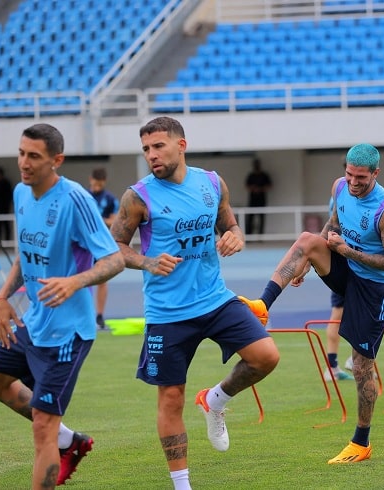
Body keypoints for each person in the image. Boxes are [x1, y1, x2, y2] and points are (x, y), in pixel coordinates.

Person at [109, 116, 279, 490]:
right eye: (146, 150)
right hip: (168, 314)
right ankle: (182, 485)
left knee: (266, 356)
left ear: (181, 145)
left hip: (216, 299)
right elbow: (114, 247)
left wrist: (235, 236)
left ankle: (215, 400)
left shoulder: (212, 183)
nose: (152, 155)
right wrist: (146, 260)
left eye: (159, 146)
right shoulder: (138, 196)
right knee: (171, 398)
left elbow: (229, 225)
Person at [0, 123, 125, 488]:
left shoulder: (75, 199)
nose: (24, 163)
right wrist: (1, 297)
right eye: (21, 153)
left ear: (56, 160)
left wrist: (74, 281)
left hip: (67, 334)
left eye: (34, 156)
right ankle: (69, 441)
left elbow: (114, 260)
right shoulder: (20, 193)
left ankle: (57, 437)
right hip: (34, 323)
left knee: (42, 424)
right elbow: (24, 257)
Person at [239, 143, 384, 464]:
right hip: (345, 269)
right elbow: (333, 225)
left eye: (361, 178)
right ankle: (262, 305)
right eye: (350, 174)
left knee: (360, 366)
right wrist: (308, 260)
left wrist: (348, 252)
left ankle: (361, 443)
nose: (354, 182)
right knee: (307, 239)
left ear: (376, 173)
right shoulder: (339, 187)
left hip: (375, 286)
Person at [88, 167, 119, 329]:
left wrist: (97, 220)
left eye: (100, 184)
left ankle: (99, 315)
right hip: (84, 245)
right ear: (90, 179)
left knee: (102, 280)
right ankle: (85, 314)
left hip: (101, 245)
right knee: (82, 279)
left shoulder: (111, 199)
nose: (97, 186)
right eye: (95, 183)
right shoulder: (83, 196)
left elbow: (113, 221)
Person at [245, 158, 272, 235]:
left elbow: (269, 186)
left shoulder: (264, 175)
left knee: (261, 218)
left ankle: (260, 236)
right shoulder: (251, 176)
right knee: (250, 217)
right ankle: (249, 235)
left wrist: (260, 189)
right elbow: (247, 186)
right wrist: (253, 189)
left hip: (261, 199)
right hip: (252, 200)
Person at [0, 166, 14, 241]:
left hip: (4, 208)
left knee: (6, 225)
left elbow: (9, 196)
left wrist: (6, 205)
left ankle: (7, 241)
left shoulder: (6, 183)